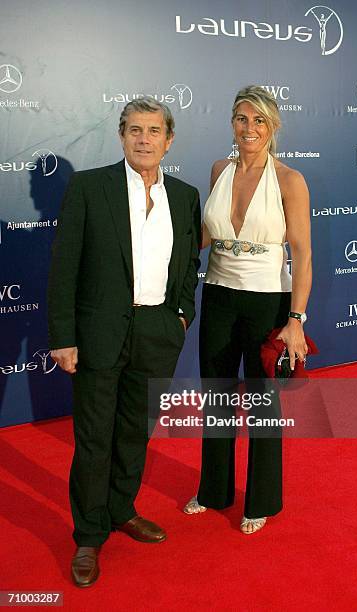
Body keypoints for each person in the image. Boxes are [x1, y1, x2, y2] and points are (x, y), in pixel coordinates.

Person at [48, 97, 201, 586]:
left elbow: (188, 266)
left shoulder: (185, 194)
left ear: (168, 139)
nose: (143, 139)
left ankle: (121, 509)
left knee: (135, 431)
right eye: (134, 130)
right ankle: (89, 537)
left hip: (157, 331)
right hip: (99, 333)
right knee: (94, 439)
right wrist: (64, 337)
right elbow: (64, 267)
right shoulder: (91, 187)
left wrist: (181, 315)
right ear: (121, 135)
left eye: (154, 131)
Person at [184, 85, 312, 534]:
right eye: (241, 118)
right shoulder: (219, 169)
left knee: (262, 404)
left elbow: (303, 255)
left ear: (273, 126)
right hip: (217, 294)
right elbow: (203, 236)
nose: (249, 127)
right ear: (232, 124)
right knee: (216, 397)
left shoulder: (291, 180)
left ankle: (261, 500)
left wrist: (294, 322)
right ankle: (214, 489)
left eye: (258, 120)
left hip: (267, 302)